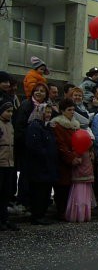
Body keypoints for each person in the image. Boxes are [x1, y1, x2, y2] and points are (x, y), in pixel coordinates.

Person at [13, 82, 49, 210]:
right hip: (26, 146)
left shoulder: (46, 107)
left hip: (39, 145)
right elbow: (19, 126)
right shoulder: (26, 105)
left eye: (42, 91)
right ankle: (23, 200)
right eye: (37, 90)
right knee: (25, 174)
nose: (39, 93)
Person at [25, 104, 59, 225]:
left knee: (45, 192)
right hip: (39, 166)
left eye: (50, 112)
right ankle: (37, 215)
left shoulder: (47, 127)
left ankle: (41, 214)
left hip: (47, 165)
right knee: (38, 193)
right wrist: (47, 155)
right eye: (46, 112)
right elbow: (34, 146)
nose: (48, 115)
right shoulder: (35, 126)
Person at [50, 98, 82, 220]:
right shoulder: (58, 125)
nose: (72, 112)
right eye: (69, 110)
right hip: (62, 161)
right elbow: (60, 144)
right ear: (62, 111)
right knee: (62, 188)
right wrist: (71, 157)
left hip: (74, 159)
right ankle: (61, 211)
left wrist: (78, 155)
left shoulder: (75, 125)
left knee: (71, 188)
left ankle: (69, 211)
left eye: (73, 110)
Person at [66, 134, 96, 223]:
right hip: (87, 177)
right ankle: (84, 215)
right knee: (85, 198)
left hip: (78, 177)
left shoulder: (78, 152)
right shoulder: (90, 153)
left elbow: (74, 163)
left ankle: (77, 215)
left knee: (78, 197)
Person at [0, 101, 19, 231]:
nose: (10, 114)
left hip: (9, 162)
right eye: (7, 111)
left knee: (6, 193)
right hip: (1, 162)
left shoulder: (11, 125)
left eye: (11, 111)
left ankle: (4, 218)